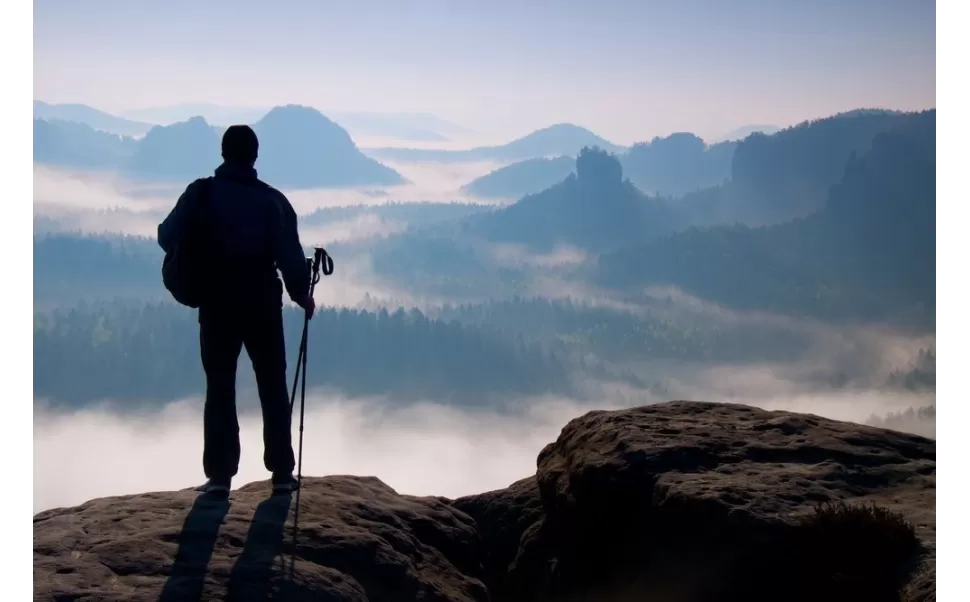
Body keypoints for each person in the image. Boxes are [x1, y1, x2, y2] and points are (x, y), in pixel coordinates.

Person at [157, 125, 316, 495]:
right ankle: (281, 473)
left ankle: (219, 476)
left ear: (224, 153)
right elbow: (290, 257)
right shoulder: (272, 201)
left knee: (220, 386)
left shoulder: (200, 194)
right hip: (261, 302)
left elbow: (167, 236)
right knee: (273, 385)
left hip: (216, 302)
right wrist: (302, 295)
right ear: (255, 156)